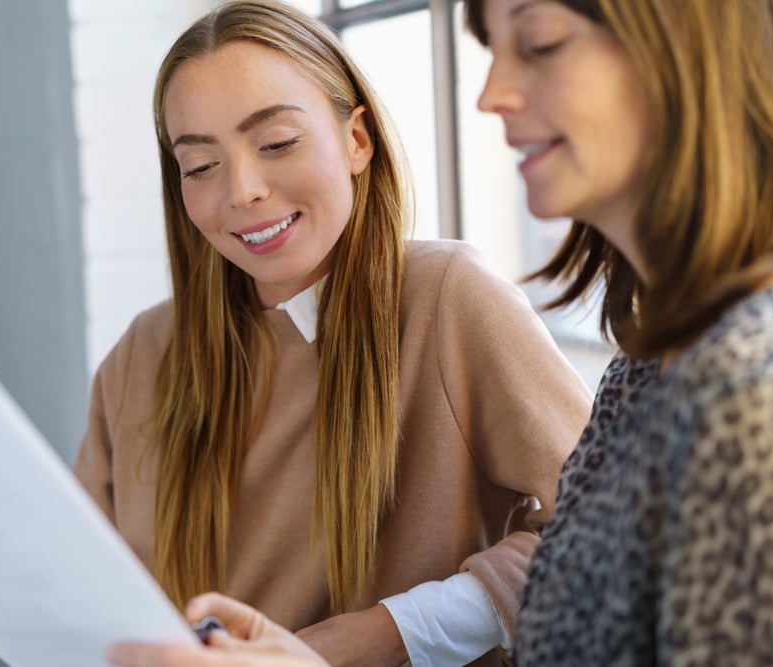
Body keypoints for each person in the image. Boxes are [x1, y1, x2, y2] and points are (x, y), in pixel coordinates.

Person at [103, 0, 773, 665]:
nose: (489, 95)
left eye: (539, 42)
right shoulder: (647, 363)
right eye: (197, 165)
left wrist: (377, 634)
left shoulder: (761, 395)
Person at [75, 1, 592, 666]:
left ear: (357, 140)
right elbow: (86, 587)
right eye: (200, 165)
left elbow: (609, 528)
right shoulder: (143, 356)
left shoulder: (447, 300)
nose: (243, 190)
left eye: (277, 143)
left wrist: (384, 632)